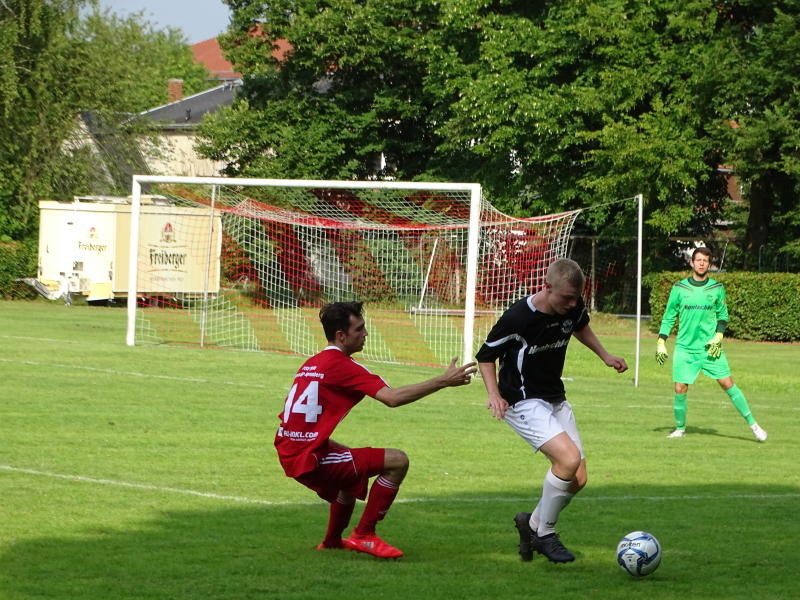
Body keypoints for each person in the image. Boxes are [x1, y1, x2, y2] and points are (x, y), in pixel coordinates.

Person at [274, 301, 477, 559]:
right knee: (397, 461)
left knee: (352, 474)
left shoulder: (312, 363)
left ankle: (332, 542)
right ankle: (364, 534)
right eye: (359, 329)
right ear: (341, 335)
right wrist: (443, 381)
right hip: (306, 456)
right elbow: (392, 398)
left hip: (290, 447)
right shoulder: (342, 365)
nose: (365, 334)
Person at [476, 258, 628, 564]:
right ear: (546, 287)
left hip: (554, 396)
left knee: (578, 478)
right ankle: (545, 534)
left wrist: (605, 356)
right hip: (520, 400)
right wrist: (493, 394)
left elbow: (580, 326)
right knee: (568, 459)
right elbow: (486, 356)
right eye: (566, 298)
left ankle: (530, 523)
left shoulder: (572, 308)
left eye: (576, 299)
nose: (572, 304)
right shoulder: (518, 317)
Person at [656, 246, 767, 442]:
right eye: (698, 260)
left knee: (727, 383)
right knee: (680, 388)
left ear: (709, 264)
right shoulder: (679, 288)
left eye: (705, 261)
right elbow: (669, 317)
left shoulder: (717, 289)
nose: (701, 263)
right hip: (685, 348)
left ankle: (754, 425)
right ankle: (680, 429)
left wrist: (719, 336)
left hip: (710, 348)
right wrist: (661, 341)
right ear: (692, 262)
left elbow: (723, 316)